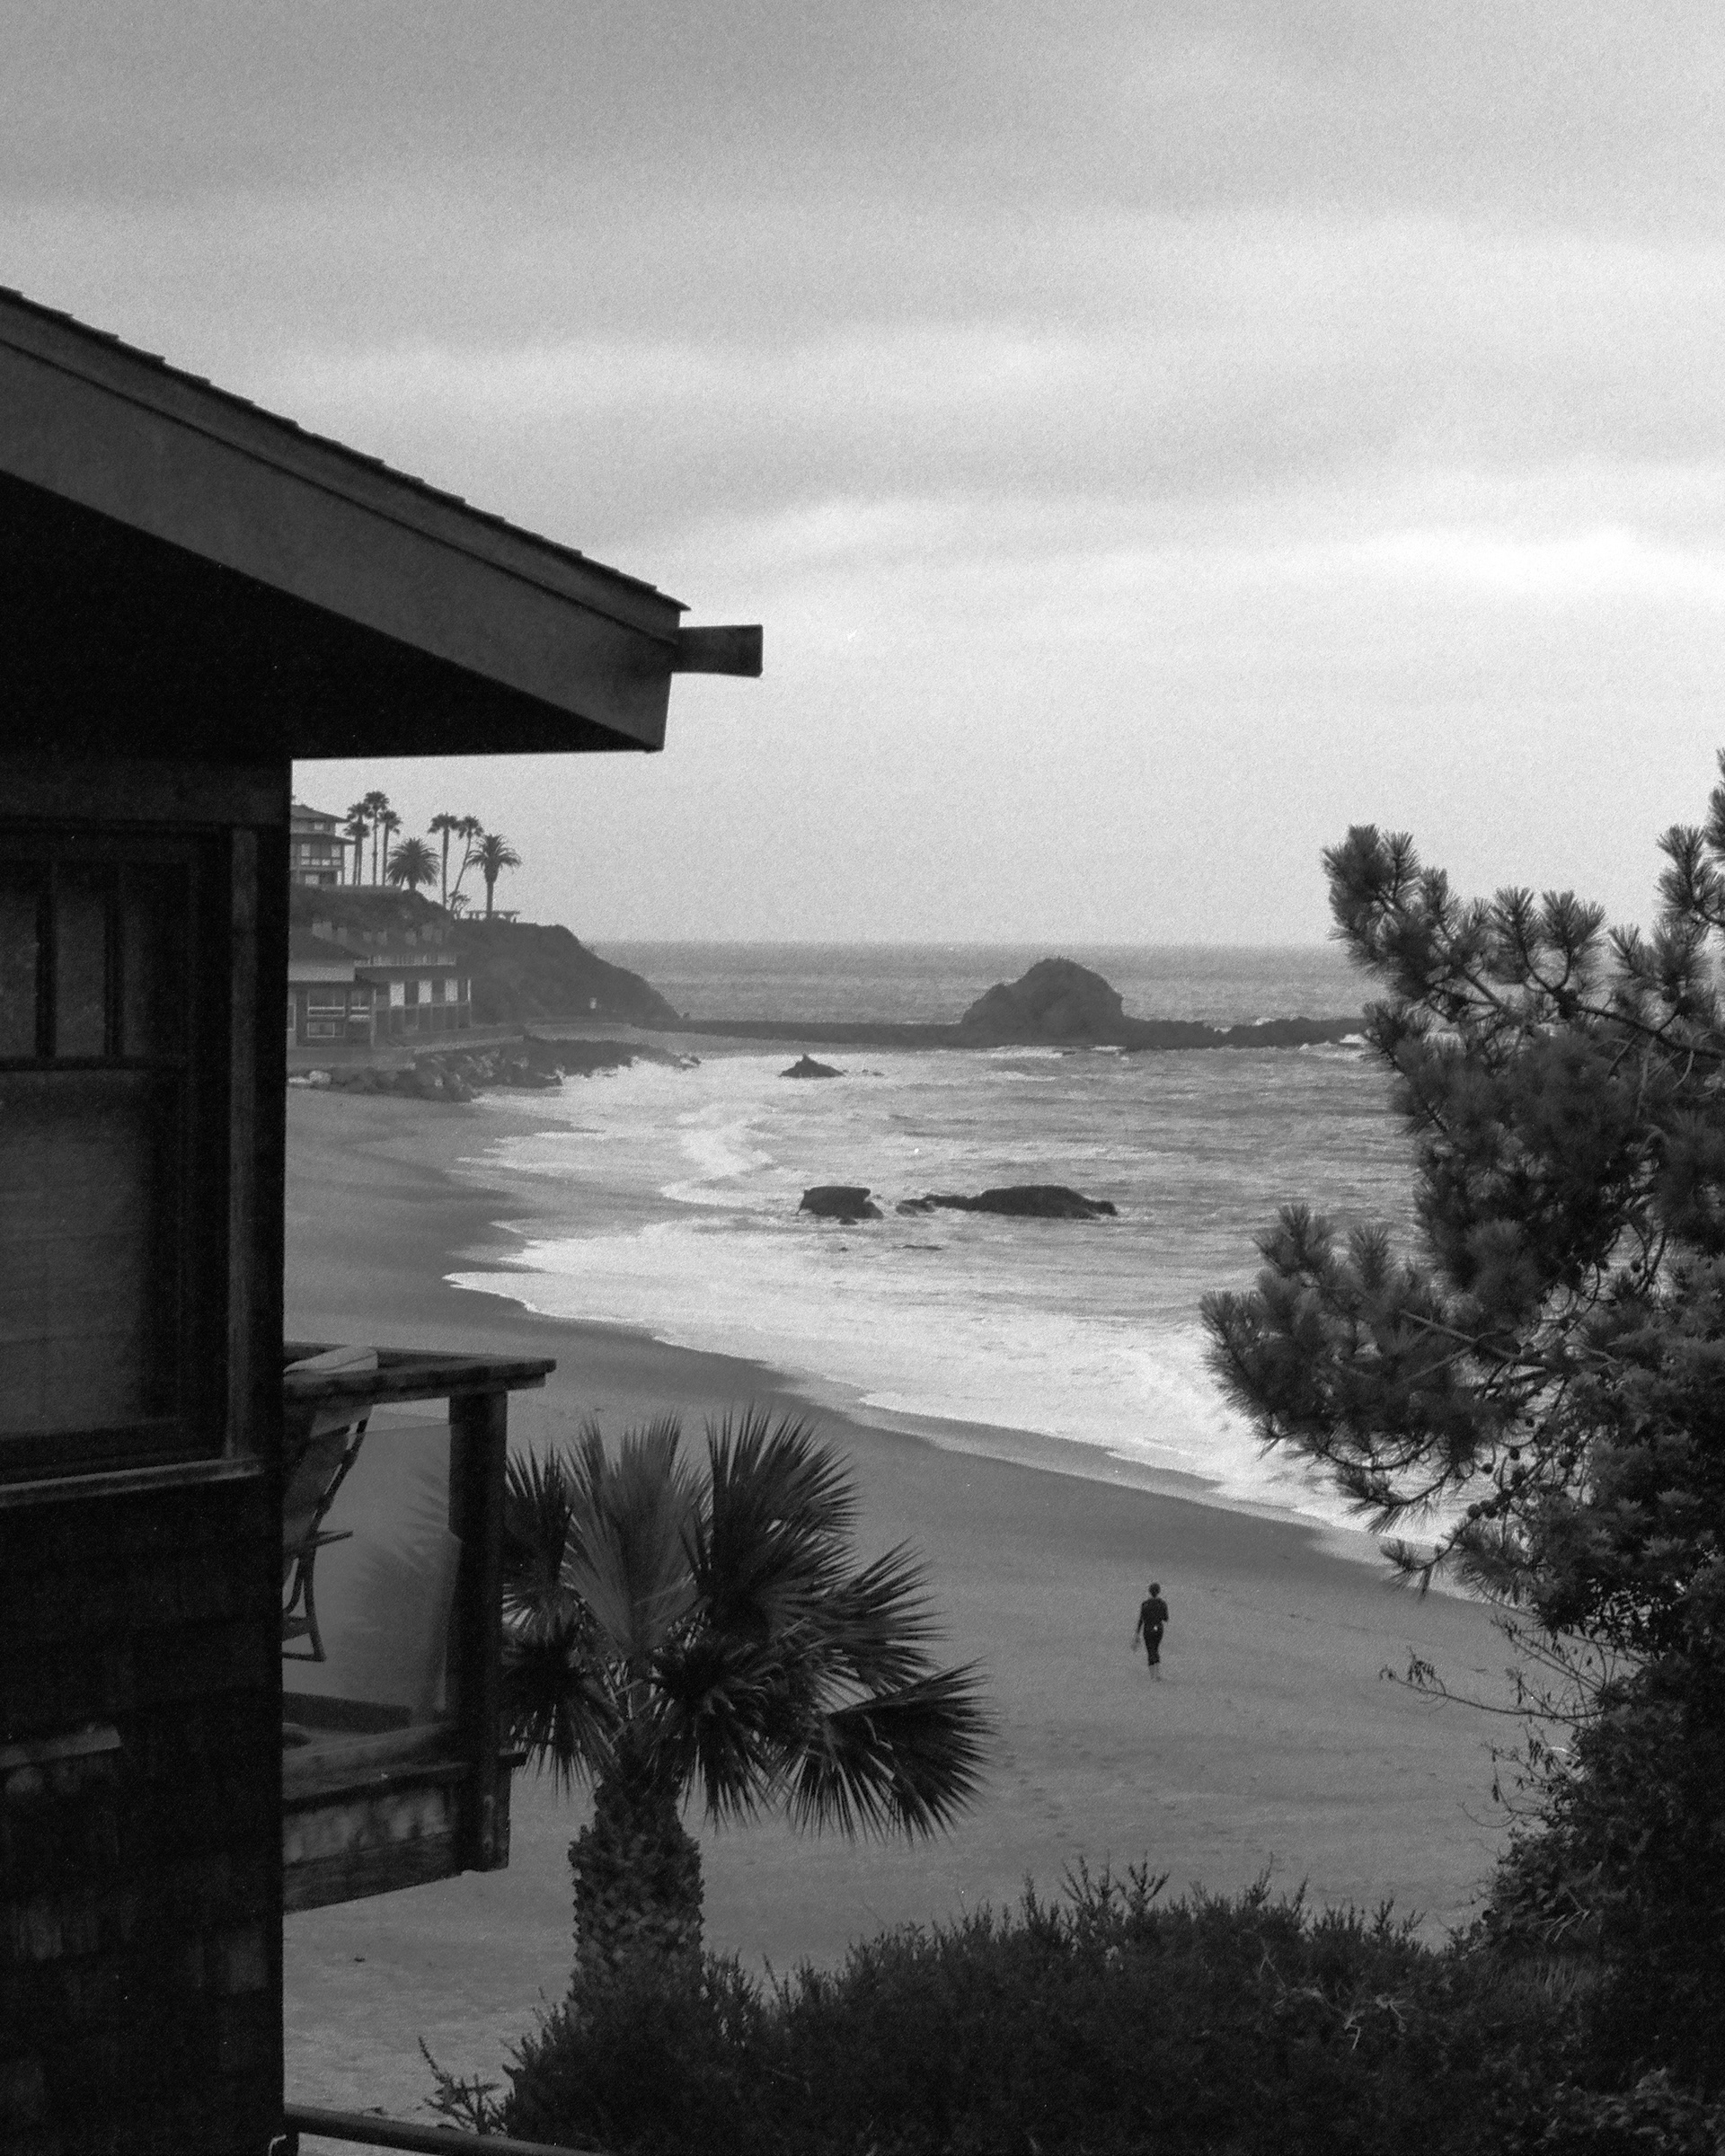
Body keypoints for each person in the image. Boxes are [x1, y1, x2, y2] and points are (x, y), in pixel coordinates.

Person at [1132, 1581, 1169, 1675]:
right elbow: (1166, 1618)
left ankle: (1152, 1674)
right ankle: (1158, 1672)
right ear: (1159, 1591)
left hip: (1148, 1628)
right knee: (1156, 1648)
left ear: (1149, 1592)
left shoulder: (1145, 1604)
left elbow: (1141, 1619)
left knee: (1150, 1649)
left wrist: (1137, 1633)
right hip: (1158, 1628)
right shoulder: (1162, 1604)